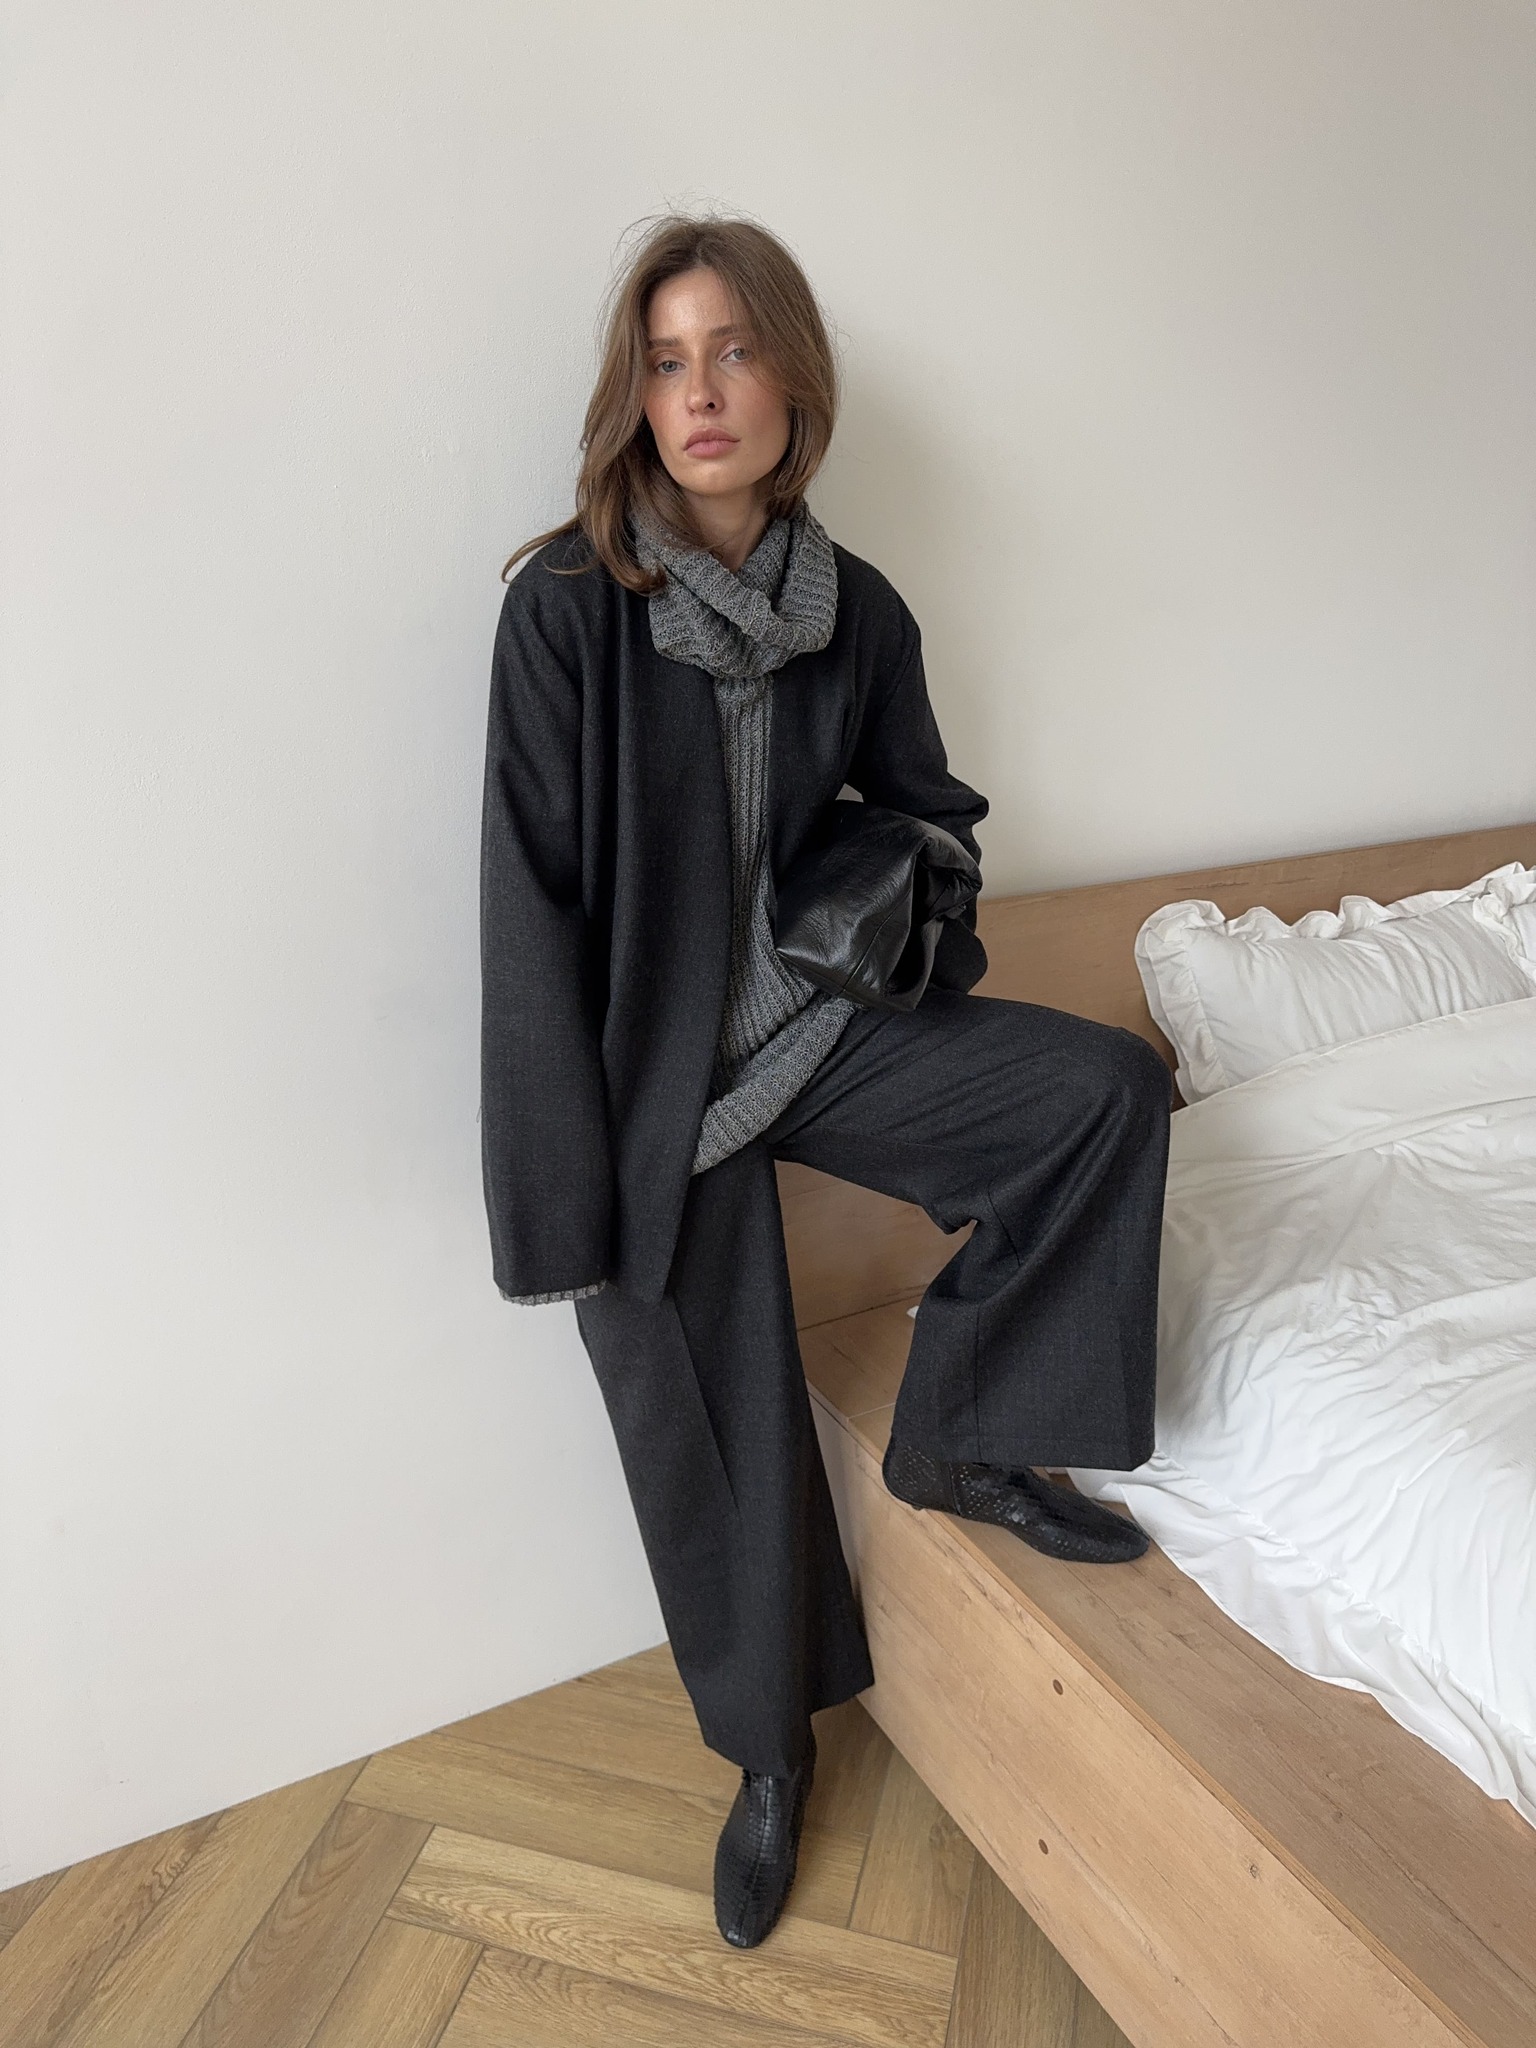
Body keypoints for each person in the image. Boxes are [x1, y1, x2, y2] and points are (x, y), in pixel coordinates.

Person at [480, 214, 1171, 1950]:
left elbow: (935, 810)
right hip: (651, 1093)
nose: (700, 391)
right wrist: (565, 1196)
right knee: (713, 1439)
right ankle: (770, 1755)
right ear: (635, 396)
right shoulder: (566, 612)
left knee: (1102, 1093)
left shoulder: (855, 610)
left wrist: (909, 896)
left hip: (820, 1032)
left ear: (793, 378)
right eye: (665, 360)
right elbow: (529, 909)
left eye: (731, 350)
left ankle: (967, 1434)